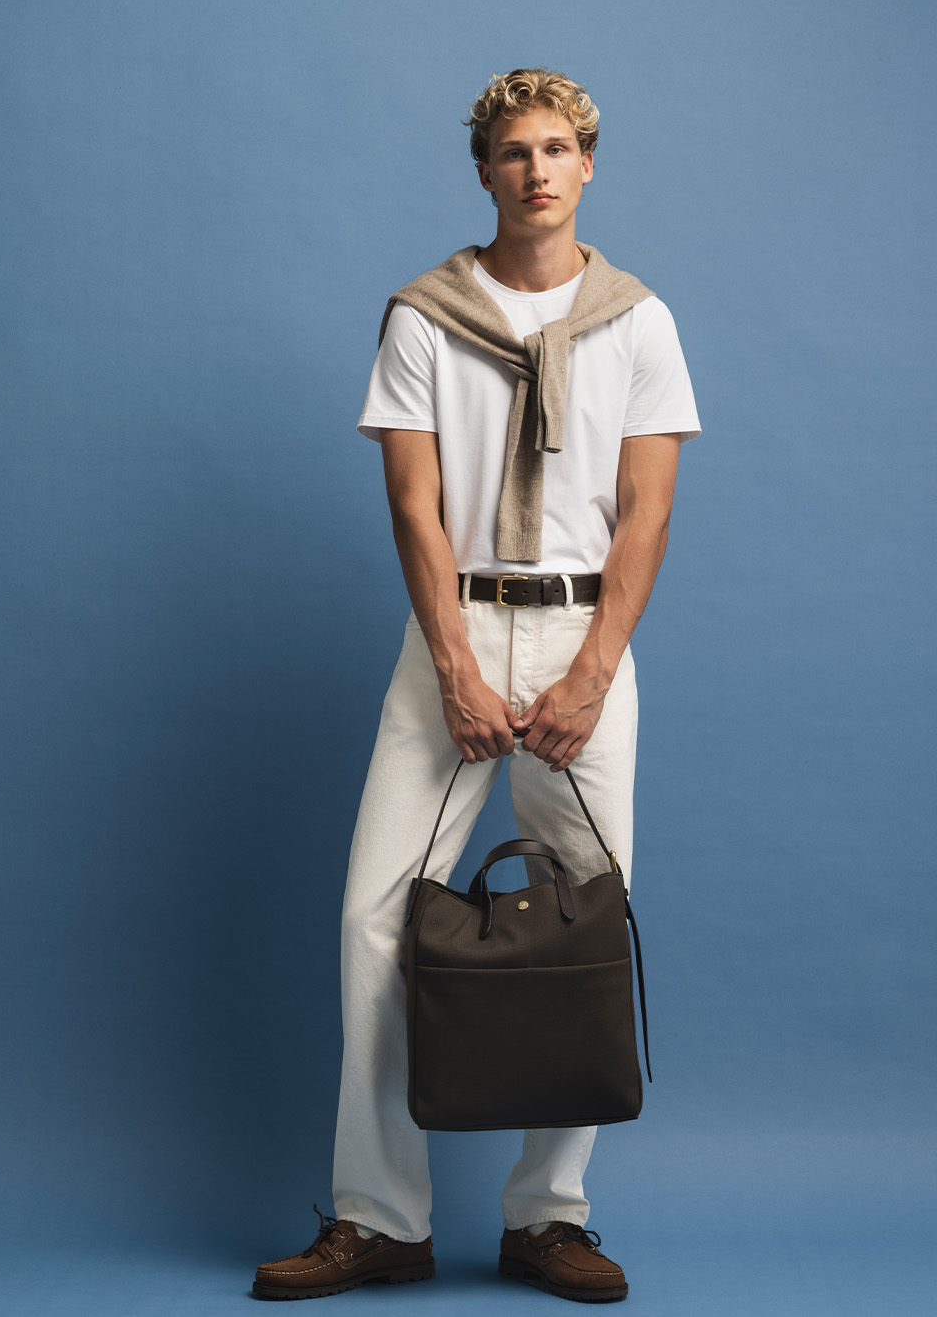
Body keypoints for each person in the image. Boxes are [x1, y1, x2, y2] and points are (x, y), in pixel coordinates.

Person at [254, 67, 701, 1304]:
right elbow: (413, 505)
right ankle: (379, 1219)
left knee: (583, 919)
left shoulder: (639, 322)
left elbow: (647, 515)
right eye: (514, 151)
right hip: (452, 634)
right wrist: (455, 666)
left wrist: (592, 674)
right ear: (485, 171)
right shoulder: (424, 317)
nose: (537, 170)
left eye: (557, 149)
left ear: (588, 165)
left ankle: (549, 1215)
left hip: (584, 639)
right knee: (374, 921)